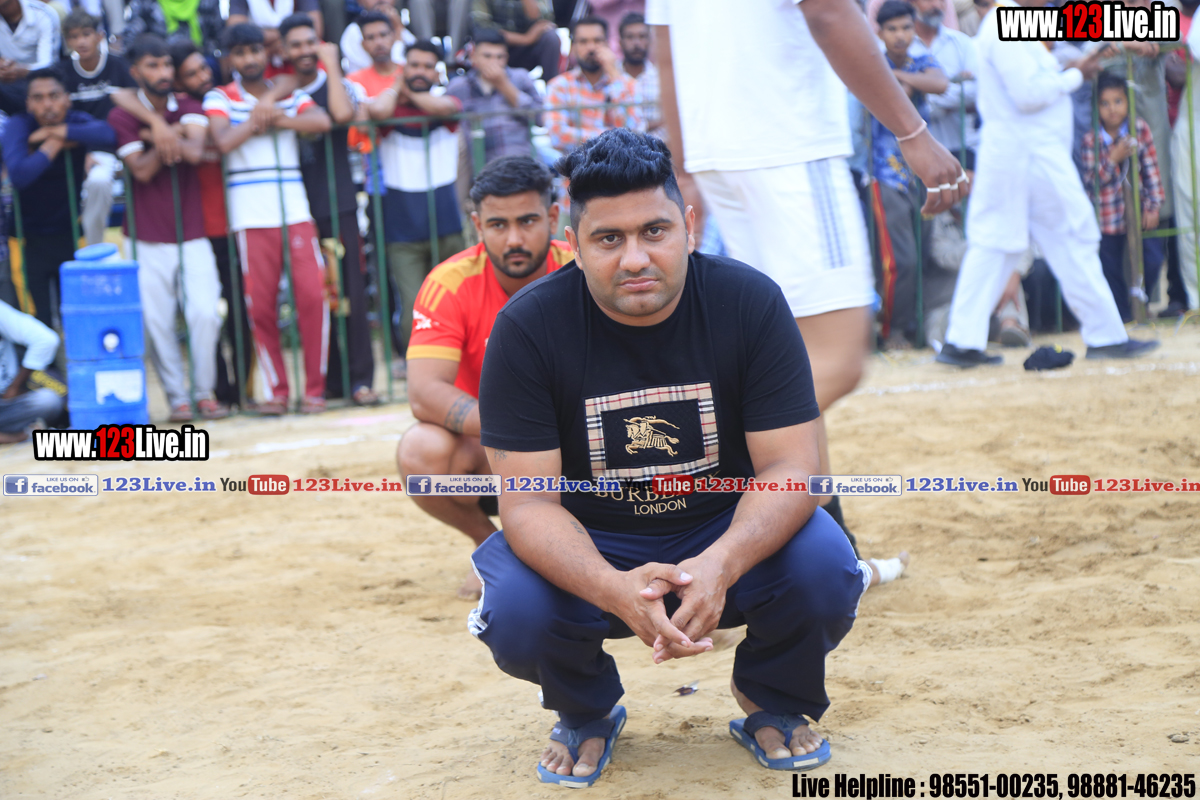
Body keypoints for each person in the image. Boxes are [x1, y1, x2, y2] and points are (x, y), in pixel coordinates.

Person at [471, 129, 868, 785]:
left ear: (688, 225)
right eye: (608, 239)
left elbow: (792, 469)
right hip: (593, 539)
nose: (635, 258)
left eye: (654, 231)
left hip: (726, 524)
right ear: (574, 244)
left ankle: (773, 695)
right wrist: (612, 587)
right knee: (515, 610)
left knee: (826, 565)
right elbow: (529, 503)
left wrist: (721, 562)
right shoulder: (527, 327)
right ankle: (584, 707)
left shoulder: (749, 302)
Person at [650, 0, 964, 549]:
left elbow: (665, 49)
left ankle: (830, 542)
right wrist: (912, 131)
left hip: (719, 152)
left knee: (787, 360)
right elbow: (829, 13)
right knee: (835, 362)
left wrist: (682, 164)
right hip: (789, 143)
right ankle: (692, 464)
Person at [937, 0, 1158, 366]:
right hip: (1029, 155)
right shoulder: (1004, 24)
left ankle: (962, 342)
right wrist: (1076, 75)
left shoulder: (1014, 23)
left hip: (1020, 155)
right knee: (1069, 237)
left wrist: (1078, 64)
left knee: (996, 245)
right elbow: (1028, 95)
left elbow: (1036, 81)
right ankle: (1106, 335)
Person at [398, 156, 572, 599]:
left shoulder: (585, 270)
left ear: (553, 217)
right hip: (495, 455)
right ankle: (490, 545)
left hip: (580, 451)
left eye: (528, 221)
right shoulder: (449, 283)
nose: (514, 239)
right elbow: (424, 393)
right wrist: (523, 431)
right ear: (478, 225)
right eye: (498, 224)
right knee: (421, 452)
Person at [204, 23, 333, 414]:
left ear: (265, 53)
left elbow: (322, 122)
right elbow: (223, 141)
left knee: (313, 297)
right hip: (248, 216)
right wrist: (260, 116)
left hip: (295, 210)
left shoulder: (287, 92)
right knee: (259, 307)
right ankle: (278, 391)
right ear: (231, 59)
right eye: (241, 53)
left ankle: (314, 391)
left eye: (255, 50)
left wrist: (274, 116)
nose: (250, 59)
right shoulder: (219, 96)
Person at [109, 34, 228, 423]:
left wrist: (156, 133)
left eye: (166, 65)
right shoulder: (122, 115)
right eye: (153, 66)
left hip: (191, 230)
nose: (162, 72)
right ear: (136, 72)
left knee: (205, 313)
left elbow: (193, 153)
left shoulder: (189, 105)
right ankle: (179, 400)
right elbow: (141, 171)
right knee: (157, 323)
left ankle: (203, 393)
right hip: (143, 234)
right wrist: (162, 128)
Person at [278, 14, 378, 406]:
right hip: (295, 208)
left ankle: (360, 379)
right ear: (284, 50)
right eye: (296, 45)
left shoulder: (335, 83)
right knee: (315, 297)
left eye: (310, 42)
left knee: (350, 292)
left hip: (338, 204)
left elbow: (342, 115)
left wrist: (332, 66)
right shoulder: (281, 90)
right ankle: (331, 380)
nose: (304, 51)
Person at [365, 39, 466, 379]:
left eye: (427, 66)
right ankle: (422, 372)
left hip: (447, 223)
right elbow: (377, 112)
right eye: (413, 65)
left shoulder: (444, 103)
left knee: (457, 299)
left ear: (437, 72)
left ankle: (462, 367)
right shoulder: (390, 108)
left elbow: (448, 108)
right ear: (403, 68)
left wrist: (408, 92)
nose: (420, 72)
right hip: (402, 227)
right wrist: (398, 88)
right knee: (412, 307)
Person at [2, 67, 116, 331]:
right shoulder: (19, 124)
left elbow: (108, 134)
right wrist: (53, 144)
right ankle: (45, 360)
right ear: (28, 103)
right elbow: (19, 175)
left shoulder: (76, 119)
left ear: (67, 99)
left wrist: (57, 131)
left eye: (54, 96)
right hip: (26, 239)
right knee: (36, 322)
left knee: (77, 317)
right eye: (38, 98)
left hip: (70, 235)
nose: (47, 104)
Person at [873, 0, 947, 349]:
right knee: (898, 259)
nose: (900, 35)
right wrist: (905, 82)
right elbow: (896, 93)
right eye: (892, 29)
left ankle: (915, 327)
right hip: (883, 173)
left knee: (922, 254)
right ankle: (893, 331)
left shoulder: (920, 60)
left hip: (920, 174)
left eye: (905, 27)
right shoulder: (873, 63)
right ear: (879, 32)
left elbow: (940, 83)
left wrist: (902, 77)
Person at [1082, 72, 1166, 324]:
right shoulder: (1091, 140)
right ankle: (1122, 315)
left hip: (1139, 213)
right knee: (1109, 268)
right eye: (1105, 103)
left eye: (1118, 101)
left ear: (1127, 102)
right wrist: (1112, 159)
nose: (1112, 109)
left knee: (1153, 258)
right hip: (1106, 218)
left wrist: (1153, 206)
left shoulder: (1138, 128)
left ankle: (1140, 302)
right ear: (1097, 107)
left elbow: (1151, 170)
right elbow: (1091, 183)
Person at [60, 8, 133, 246]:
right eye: (73, 36)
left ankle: (95, 247)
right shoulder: (63, 72)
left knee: (99, 180)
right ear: (67, 41)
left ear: (99, 35)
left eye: (86, 34)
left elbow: (134, 107)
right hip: (75, 147)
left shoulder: (119, 66)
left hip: (117, 144)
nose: (81, 41)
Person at [446, 27, 542, 165]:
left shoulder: (520, 77)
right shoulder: (459, 86)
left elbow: (540, 118)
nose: (494, 62)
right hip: (481, 169)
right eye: (487, 56)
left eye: (499, 57)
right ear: (473, 56)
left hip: (522, 164)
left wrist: (504, 84)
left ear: (506, 57)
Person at [545, 17, 640, 154]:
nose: (591, 48)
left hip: (620, 163)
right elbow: (557, 136)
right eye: (583, 41)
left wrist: (615, 77)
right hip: (576, 164)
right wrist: (613, 137)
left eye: (597, 41)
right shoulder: (559, 86)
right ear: (573, 47)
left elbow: (635, 131)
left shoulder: (628, 84)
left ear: (608, 45)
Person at [909, 0, 978, 169]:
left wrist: (921, 93)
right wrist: (951, 89)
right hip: (913, 153)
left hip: (960, 148)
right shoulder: (901, 46)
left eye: (941, 0)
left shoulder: (961, 42)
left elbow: (974, 91)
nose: (937, 6)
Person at [0, 298, 63, 443]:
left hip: (6, 404)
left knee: (48, 400)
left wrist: (14, 388)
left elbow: (46, 340)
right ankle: (19, 436)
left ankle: (21, 433)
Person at [471, 0, 562, 81]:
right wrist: (526, 39)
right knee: (486, 42)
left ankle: (552, 86)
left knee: (550, 37)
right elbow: (482, 27)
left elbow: (545, 22)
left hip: (526, 51)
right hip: (495, 47)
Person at [0, 0, 62, 115]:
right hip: (6, 82)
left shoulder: (43, 14)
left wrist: (23, 71)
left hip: (39, 81)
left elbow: (48, 65)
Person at [617, 12, 660, 136]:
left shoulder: (660, 79)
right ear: (620, 42)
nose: (636, 43)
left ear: (649, 41)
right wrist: (651, 125)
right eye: (630, 37)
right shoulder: (609, 77)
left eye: (642, 36)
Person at [340, 0, 412, 73]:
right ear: (360, 1)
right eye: (370, 38)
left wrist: (399, 29)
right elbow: (386, 72)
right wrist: (398, 32)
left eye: (383, 35)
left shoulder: (398, 26)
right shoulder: (354, 31)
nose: (381, 0)